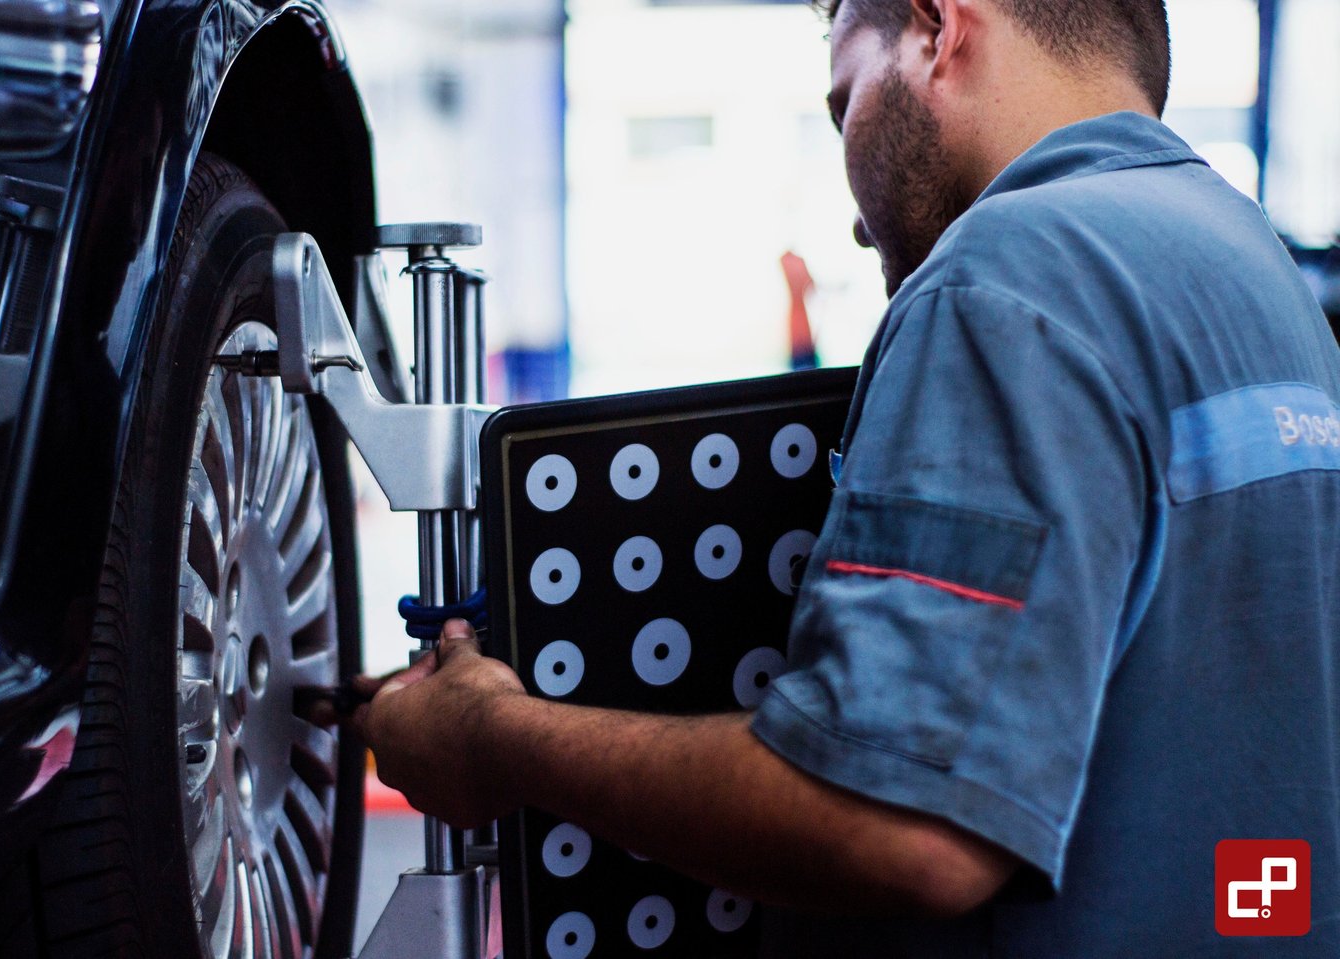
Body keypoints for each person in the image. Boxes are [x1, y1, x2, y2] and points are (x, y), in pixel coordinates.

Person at [347, 0, 1340, 952]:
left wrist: (495, 737)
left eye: (844, 105)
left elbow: (904, 825)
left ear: (936, 25)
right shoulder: (1263, 280)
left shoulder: (1008, 274)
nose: (859, 224)